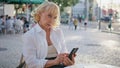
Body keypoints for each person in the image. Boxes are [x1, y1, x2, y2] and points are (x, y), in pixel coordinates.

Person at [22, 1, 76, 68]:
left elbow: (63, 51)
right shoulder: (30, 35)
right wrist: (54, 62)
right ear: (40, 14)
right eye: (49, 16)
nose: (52, 21)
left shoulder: (58, 32)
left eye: (55, 17)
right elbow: (31, 63)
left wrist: (67, 60)